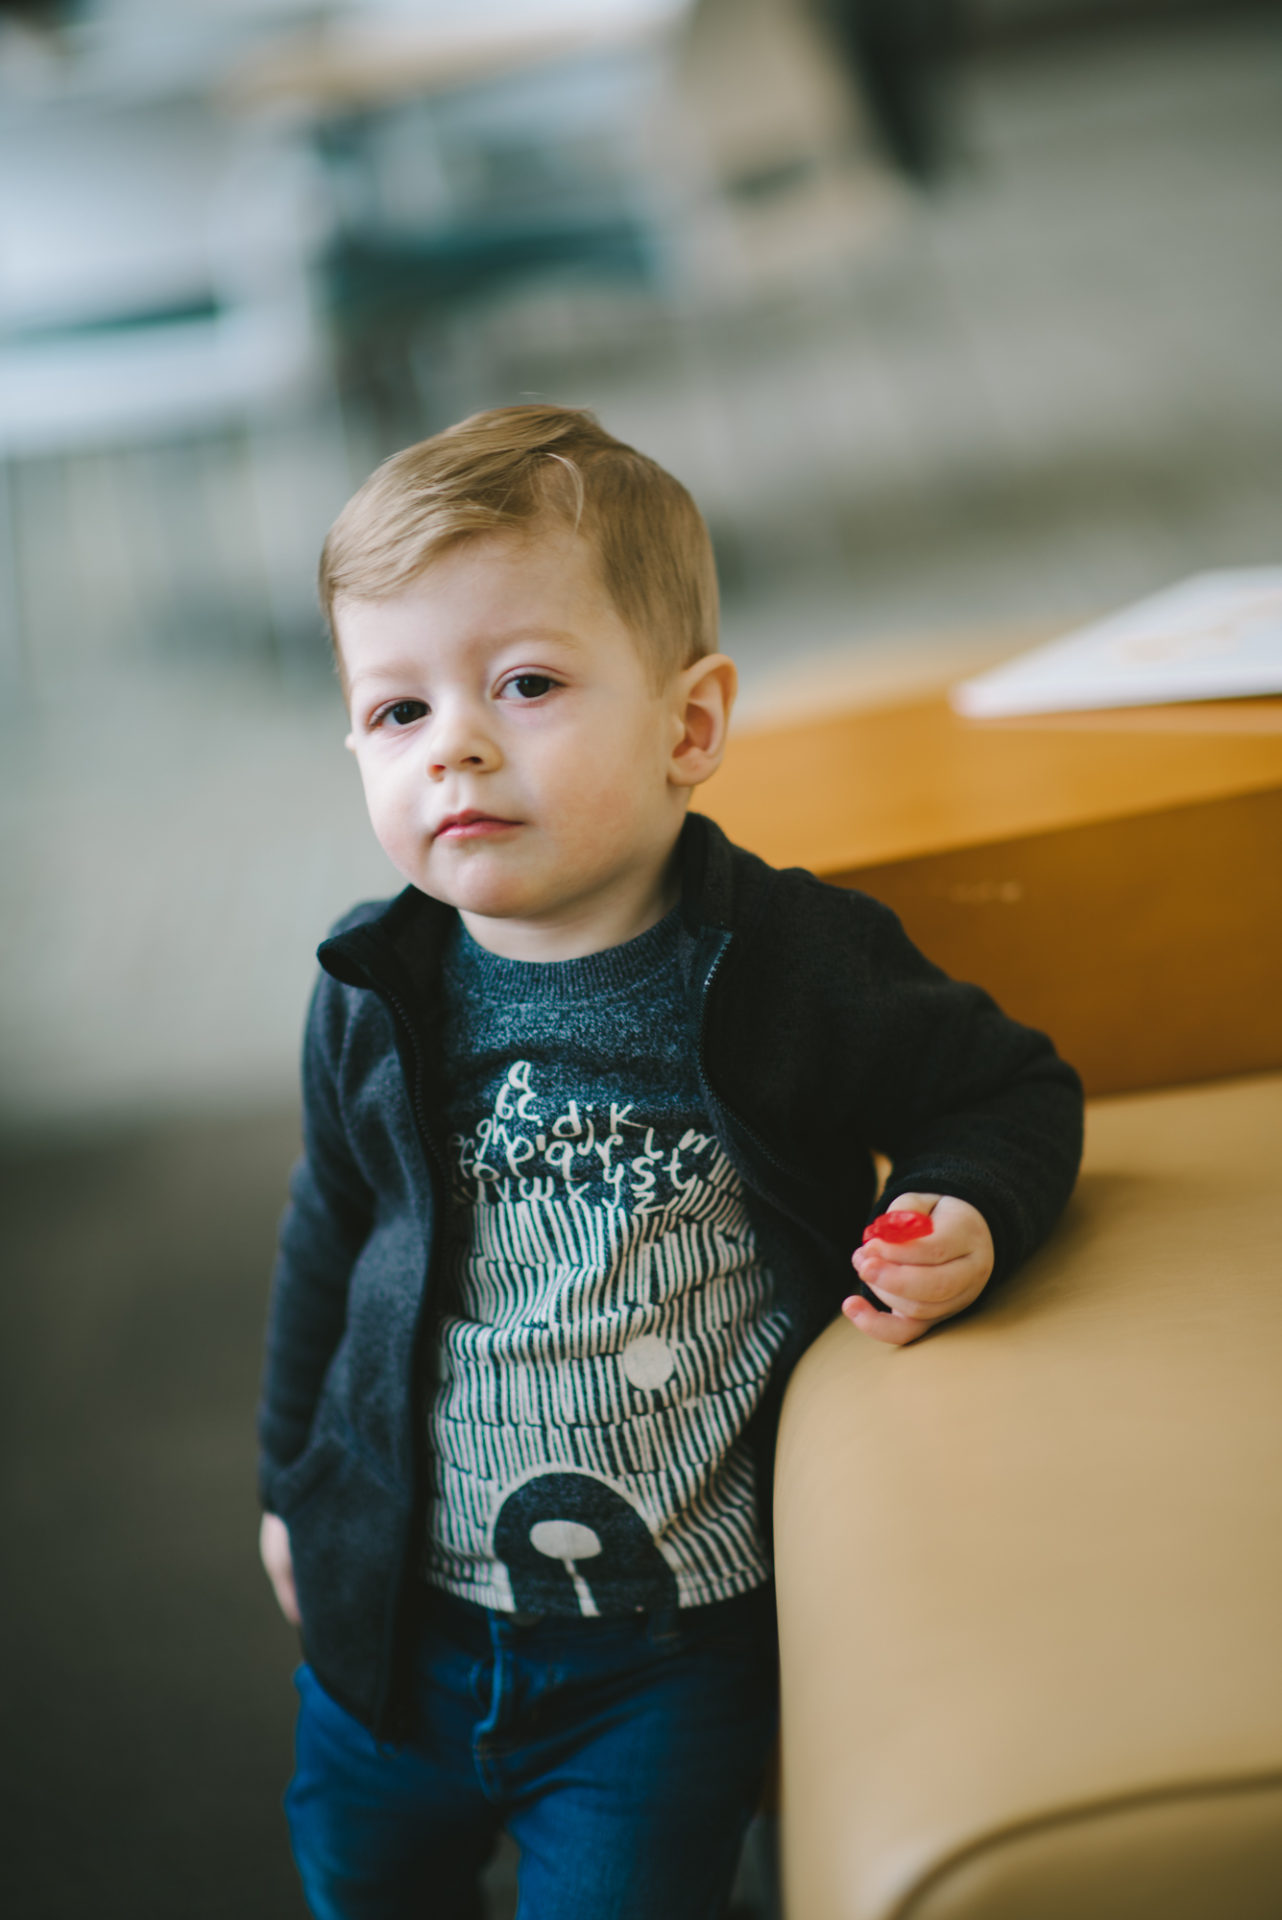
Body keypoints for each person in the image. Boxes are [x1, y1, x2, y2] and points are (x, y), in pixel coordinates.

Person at [257, 404, 1083, 1920]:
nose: (455, 745)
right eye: (397, 710)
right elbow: (330, 1229)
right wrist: (286, 1483)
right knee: (360, 1880)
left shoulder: (796, 962)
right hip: (399, 1622)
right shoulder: (372, 990)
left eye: (525, 684)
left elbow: (1007, 1089)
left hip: (669, 1655)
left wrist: (963, 1204)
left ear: (689, 726)